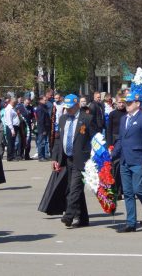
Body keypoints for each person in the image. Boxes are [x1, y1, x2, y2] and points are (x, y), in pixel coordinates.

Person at [112, 92, 142, 232]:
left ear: (137, 104)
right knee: (128, 192)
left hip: (138, 159)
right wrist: (112, 155)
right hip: (125, 159)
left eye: (130, 102)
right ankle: (131, 223)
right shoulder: (124, 118)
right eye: (126, 102)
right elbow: (121, 139)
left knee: (139, 189)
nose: (127, 105)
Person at [52, 94, 97, 228]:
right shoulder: (63, 119)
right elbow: (58, 140)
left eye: (70, 107)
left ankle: (69, 215)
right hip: (67, 158)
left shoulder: (87, 119)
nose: (68, 110)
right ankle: (83, 219)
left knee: (75, 188)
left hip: (82, 159)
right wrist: (55, 158)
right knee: (75, 189)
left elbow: (95, 138)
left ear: (77, 105)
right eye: (66, 108)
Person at [106, 94, 127, 200]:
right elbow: (108, 130)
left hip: (125, 141)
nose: (121, 104)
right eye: (119, 102)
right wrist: (109, 145)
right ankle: (116, 190)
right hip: (114, 141)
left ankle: (123, 189)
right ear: (116, 103)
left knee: (124, 166)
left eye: (123, 102)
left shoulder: (127, 114)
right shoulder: (112, 114)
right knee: (115, 166)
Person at [4, 97, 20, 161]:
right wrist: (12, 129)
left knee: (13, 142)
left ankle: (12, 155)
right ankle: (10, 157)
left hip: (14, 126)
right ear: (11, 102)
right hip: (11, 127)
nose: (15, 104)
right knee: (10, 142)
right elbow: (9, 120)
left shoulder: (13, 108)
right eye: (14, 102)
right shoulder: (9, 109)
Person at [36, 96, 51, 161]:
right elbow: (41, 120)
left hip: (45, 128)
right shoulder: (40, 108)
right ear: (41, 100)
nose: (46, 101)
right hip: (42, 128)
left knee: (44, 142)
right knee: (41, 142)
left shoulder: (44, 107)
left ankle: (44, 156)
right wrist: (43, 130)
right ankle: (41, 156)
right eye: (45, 100)